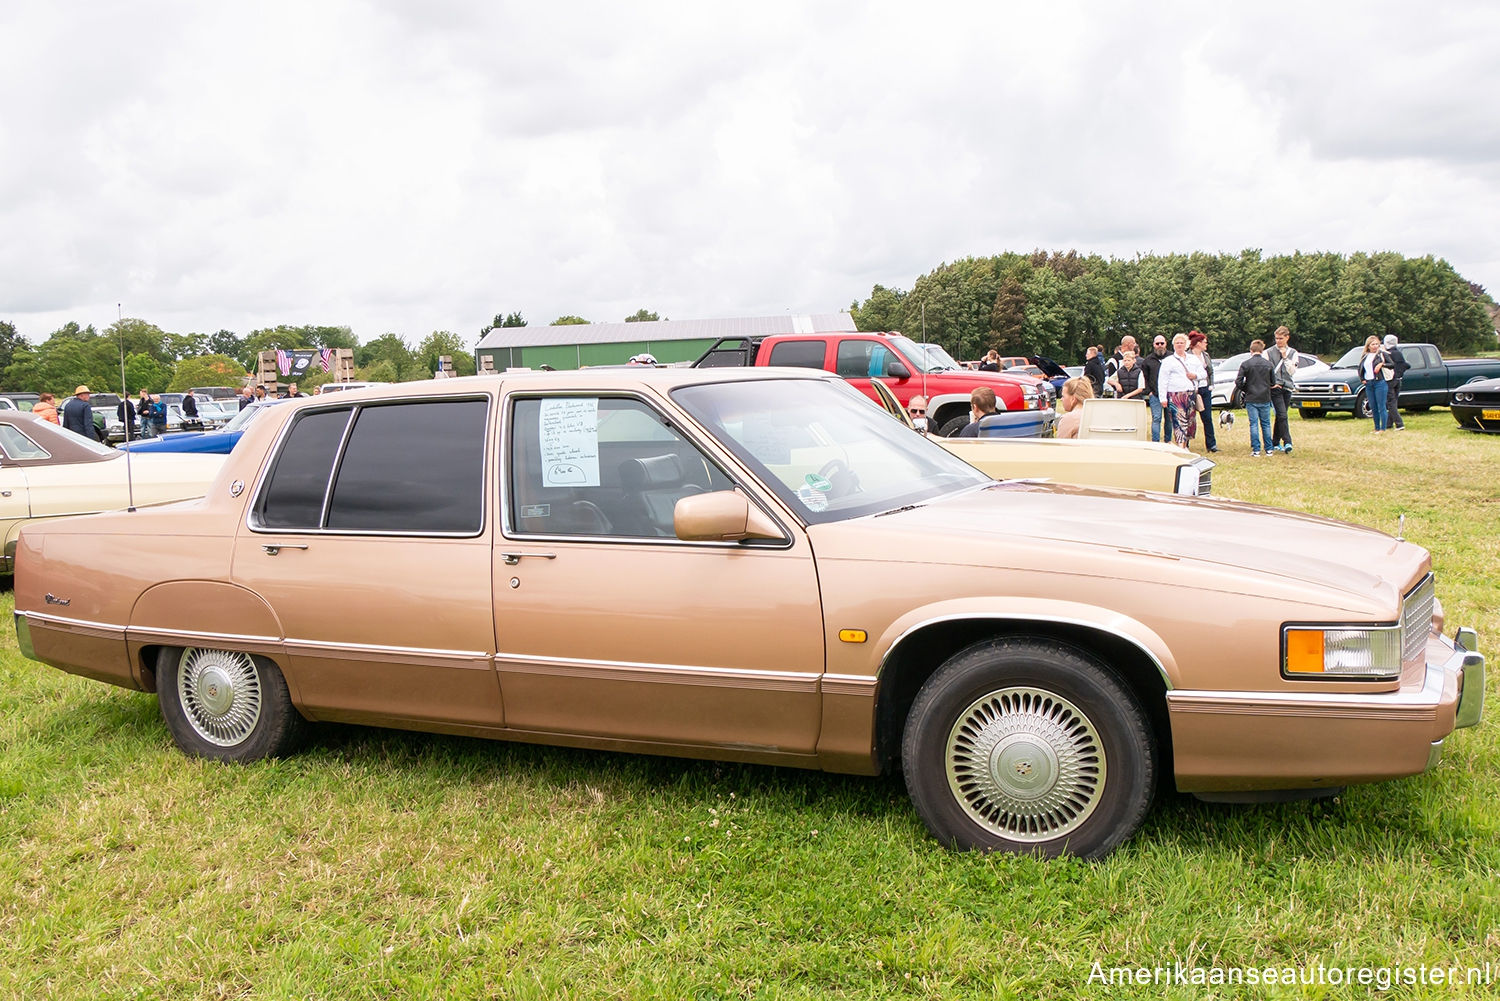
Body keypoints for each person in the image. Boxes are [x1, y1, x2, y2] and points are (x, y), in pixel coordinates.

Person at [1157, 333, 1205, 448]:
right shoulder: (1168, 361)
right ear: (1173, 345)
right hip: (1175, 395)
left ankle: (1185, 445)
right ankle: (1180, 446)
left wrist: (1195, 375)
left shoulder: (1193, 359)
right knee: (1179, 421)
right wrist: (1163, 398)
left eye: (1182, 343)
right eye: (1177, 343)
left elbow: (1204, 373)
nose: (1179, 345)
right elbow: (1162, 380)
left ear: (1186, 345)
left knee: (1190, 421)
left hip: (1190, 394)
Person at [1234, 339, 1275, 456]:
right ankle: (1269, 449)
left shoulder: (1246, 364)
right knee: (1266, 423)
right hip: (1265, 397)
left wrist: (1246, 389)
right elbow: (1273, 382)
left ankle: (1256, 449)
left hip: (1251, 397)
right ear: (1262, 350)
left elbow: (1238, 381)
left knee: (1253, 424)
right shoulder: (1269, 364)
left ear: (1251, 350)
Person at [1265, 326, 1297, 454]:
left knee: (1280, 415)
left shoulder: (1293, 353)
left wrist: (1285, 357)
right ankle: (1287, 441)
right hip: (1275, 387)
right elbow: (1266, 369)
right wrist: (1271, 384)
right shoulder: (1268, 352)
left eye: (1281, 338)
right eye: (1276, 338)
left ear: (1287, 338)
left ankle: (1275, 441)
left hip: (1287, 386)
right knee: (1282, 414)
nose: (1278, 341)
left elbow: (1292, 371)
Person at [1188, 331, 1218, 452]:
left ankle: (1211, 445)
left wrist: (1211, 384)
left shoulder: (1205, 355)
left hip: (1205, 388)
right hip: (1192, 389)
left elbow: (1210, 371)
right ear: (1198, 343)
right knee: (1189, 417)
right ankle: (1186, 443)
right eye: (1205, 342)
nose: (1206, 344)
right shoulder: (1188, 356)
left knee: (1207, 417)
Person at [1138, 336, 1170, 442]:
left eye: (1162, 343)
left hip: (1170, 393)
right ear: (1154, 345)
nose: (1160, 346)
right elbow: (1144, 378)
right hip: (1155, 394)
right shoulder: (1148, 360)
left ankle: (1167, 441)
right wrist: (1149, 392)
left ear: (1166, 343)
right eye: (1157, 344)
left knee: (1169, 419)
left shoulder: (1172, 358)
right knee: (1156, 418)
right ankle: (1155, 442)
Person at [1361, 335, 1389, 433]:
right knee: (1373, 406)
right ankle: (1376, 427)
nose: (1375, 346)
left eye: (1377, 344)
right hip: (1369, 383)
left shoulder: (1382, 354)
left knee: (1381, 406)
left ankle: (1383, 428)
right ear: (1368, 346)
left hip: (1379, 382)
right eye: (1373, 344)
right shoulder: (1365, 355)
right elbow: (1361, 368)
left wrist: (1382, 364)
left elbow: (1392, 364)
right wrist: (1362, 378)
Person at [1382, 334, 1407, 430]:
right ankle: (1388, 424)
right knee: (1394, 402)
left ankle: (1399, 423)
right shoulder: (1398, 353)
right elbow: (1406, 365)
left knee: (1390, 403)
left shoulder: (1388, 354)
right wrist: (1400, 373)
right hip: (1398, 380)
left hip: (1390, 380)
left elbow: (1389, 366)